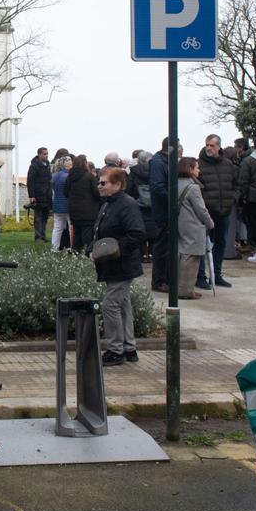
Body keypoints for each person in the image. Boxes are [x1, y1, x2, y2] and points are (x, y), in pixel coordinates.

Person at [92, 167, 146, 366]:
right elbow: (100, 230)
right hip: (112, 265)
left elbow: (137, 233)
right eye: (99, 182)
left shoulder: (127, 205)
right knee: (122, 305)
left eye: (103, 183)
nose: (99, 186)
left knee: (110, 304)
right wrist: (96, 250)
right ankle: (129, 348)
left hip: (122, 264)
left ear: (118, 185)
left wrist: (114, 250)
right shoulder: (109, 203)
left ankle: (116, 350)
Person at [197, 135, 237, 288]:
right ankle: (200, 276)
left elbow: (237, 183)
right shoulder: (199, 164)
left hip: (224, 209)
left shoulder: (228, 164)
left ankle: (217, 275)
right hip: (207, 211)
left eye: (212, 145)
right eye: (207, 144)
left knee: (220, 243)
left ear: (219, 146)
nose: (209, 148)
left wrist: (233, 198)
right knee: (202, 245)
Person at [176, 157, 214, 300]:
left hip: (181, 223)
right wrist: (210, 223)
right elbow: (201, 210)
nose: (199, 170)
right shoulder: (193, 187)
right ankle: (186, 290)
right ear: (190, 169)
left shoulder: (175, 184)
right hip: (193, 225)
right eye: (196, 167)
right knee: (190, 258)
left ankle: (182, 288)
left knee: (183, 256)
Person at [149, 138, 179, 291]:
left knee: (167, 245)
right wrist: (174, 200)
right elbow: (157, 186)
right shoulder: (158, 162)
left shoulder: (164, 161)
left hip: (166, 210)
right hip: (163, 211)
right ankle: (159, 281)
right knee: (162, 247)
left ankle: (166, 278)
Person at [65, 154, 100, 253]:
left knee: (76, 232)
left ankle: (76, 252)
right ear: (85, 163)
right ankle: (87, 253)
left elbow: (65, 192)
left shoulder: (70, 177)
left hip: (74, 209)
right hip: (88, 210)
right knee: (87, 234)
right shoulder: (89, 177)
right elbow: (96, 193)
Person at [128, 150, 156, 262]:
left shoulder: (133, 172)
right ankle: (153, 254)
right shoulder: (155, 171)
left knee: (140, 229)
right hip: (154, 205)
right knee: (154, 229)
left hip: (138, 205)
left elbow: (129, 189)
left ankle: (142, 254)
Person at [26, 147, 52, 241]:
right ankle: (38, 237)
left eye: (47, 154)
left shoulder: (48, 165)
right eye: (44, 154)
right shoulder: (34, 166)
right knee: (38, 217)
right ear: (39, 154)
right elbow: (30, 181)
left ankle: (43, 236)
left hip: (47, 195)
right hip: (38, 195)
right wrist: (31, 195)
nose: (46, 155)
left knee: (45, 217)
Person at [50, 154, 73, 251]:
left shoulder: (54, 176)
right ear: (68, 165)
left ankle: (54, 248)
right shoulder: (69, 176)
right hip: (68, 205)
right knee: (71, 228)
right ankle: (72, 247)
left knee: (57, 228)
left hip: (57, 205)